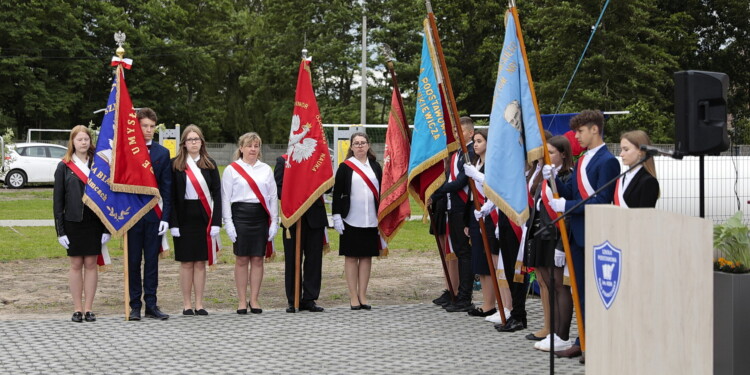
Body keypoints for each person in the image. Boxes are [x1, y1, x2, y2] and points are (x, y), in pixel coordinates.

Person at [543, 109, 621, 361]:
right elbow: (571, 191)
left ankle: (595, 343)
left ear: (595, 129)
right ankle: (583, 339)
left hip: (595, 235)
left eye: (580, 131)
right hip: (578, 235)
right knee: (579, 291)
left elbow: (601, 199)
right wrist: (554, 178)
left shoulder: (607, 161)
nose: (576, 136)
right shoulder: (583, 159)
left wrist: (565, 207)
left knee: (593, 293)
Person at [53, 125, 110, 322]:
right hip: (73, 222)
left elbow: (106, 197)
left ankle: (89, 309)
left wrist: (106, 228)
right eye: (79, 139)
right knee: (76, 264)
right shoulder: (64, 166)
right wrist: (60, 231)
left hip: (95, 223)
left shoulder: (99, 165)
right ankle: (77, 309)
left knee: (91, 263)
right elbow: (58, 202)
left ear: (90, 141)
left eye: (86, 139)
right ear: (73, 142)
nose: (83, 142)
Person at [526, 136, 575, 351]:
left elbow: (566, 213)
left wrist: (560, 247)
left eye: (553, 152)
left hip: (554, 236)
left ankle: (561, 334)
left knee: (558, 286)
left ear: (564, 154)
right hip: (540, 233)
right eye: (546, 153)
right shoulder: (544, 176)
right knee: (546, 283)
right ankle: (553, 331)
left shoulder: (566, 177)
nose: (549, 157)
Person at [222, 132, 278, 315]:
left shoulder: (266, 170)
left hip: (260, 217)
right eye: (249, 145)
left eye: (256, 146)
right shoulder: (232, 170)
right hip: (240, 217)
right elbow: (225, 198)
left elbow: (272, 197)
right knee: (241, 259)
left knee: (257, 259)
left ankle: (254, 299)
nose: (253, 149)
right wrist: (228, 223)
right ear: (241, 148)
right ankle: (240, 300)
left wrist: (274, 222)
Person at [169, 125, 221, 316]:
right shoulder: (175, 165)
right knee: (186, 263)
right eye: (190, 139)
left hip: (203, 217)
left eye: (196, 139)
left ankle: (199, 304)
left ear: (202, 142)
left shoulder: (210, 164)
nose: (193, 143)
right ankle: (186, 304)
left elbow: (218, 195)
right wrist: (173, 223)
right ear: (184, 143)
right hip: (183, 218)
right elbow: (171, 197)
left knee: (200, 262)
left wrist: (216, 221)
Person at [128, 108, 172, 321]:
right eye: (144, 126)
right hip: (133, 215)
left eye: (151, 126)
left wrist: (165, 217)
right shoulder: (127, 151)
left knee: (152, 262)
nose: (148, 130)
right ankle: (134, 305)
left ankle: (151, 304)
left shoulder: (162, 153)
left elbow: (167, 188)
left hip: (154, 215)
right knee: (134, 261)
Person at [429, 116, 475, 312]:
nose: (457, 135)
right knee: (457, 251)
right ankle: (455, 293)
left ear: (471, 133)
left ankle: (465, 296)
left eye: (461, 132)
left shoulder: (469, 152)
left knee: (465, 253)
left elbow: (461, 182)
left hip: (463, 207)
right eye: (455, 132)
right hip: (452, 207)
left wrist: (437, 193)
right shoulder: (457, 152)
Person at [332, 132, 382, 310]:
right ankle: (353, 295)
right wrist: (336, 215)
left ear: (368, 145)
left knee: (366, 257)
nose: (360, 146)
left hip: (371, 219)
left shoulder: (376, 166)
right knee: (352, 257)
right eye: (356, 143)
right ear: (351, 147)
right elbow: (337, 193)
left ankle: (363, 295)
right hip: (350, 218)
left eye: (363, 143)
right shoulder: (345, 167)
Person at [275, 154, 327, 313]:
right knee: (292, 260)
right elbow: (277, 188)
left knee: (313, 260)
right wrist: (296, 194)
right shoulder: (283, 160)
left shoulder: (319, 158)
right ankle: (293, 299)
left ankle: (310, 298)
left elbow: (329, 185)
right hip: (293, 217)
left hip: (314, 217)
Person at [461, 129, 501, 318]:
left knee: (490, 262)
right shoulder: (476, 162)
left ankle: (497, 303)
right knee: (480, 262)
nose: (475, 144)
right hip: (477, 216)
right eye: (474, 141)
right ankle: (487, 303)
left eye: (480, 141)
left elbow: (495, 188)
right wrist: (468, 221)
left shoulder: (491, 165)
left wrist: (477, 175)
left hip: (492, 215)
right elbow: (471, 197)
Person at [617, 130, 660, 208]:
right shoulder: (621, 178)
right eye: (621, 150)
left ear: (640, 151)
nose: (621, 154)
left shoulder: (648, 181)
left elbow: (645, 216)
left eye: (626, 149)